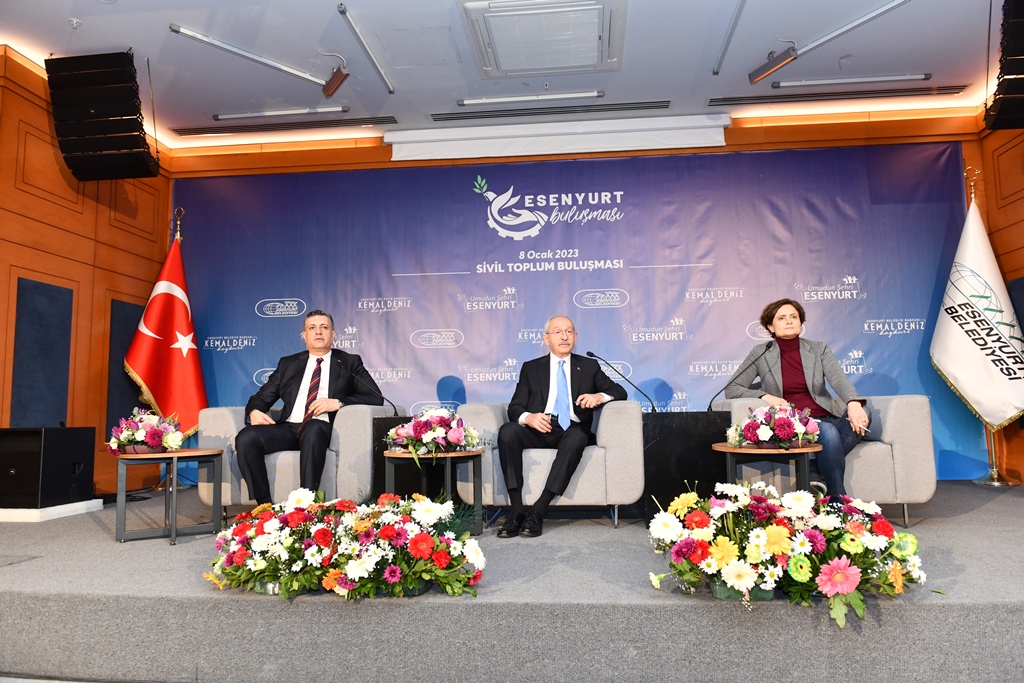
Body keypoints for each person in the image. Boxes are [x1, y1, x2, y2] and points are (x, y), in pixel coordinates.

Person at [496, 315, 628, 538]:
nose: (564, 336)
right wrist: (529, 418)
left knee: (577, 438)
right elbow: (515, 406)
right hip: (539, 428)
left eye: (569, 331)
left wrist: (599, 397)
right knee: (508, 431)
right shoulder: (531, 368)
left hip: (571, 429)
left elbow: (619, 391)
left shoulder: (589, 366)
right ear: (546, 338)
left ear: (575, 337)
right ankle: (516, 510)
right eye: (558, 332)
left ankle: (538, 510)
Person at [724, 298, 871, 498]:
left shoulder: (818, 349)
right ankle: (838, 498)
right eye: (781, 318)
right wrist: (765, 396)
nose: (789, 321)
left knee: (864, 411)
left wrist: (853, 403)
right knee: (828, 432)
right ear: (770, 326)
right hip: (795, 423)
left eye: (794, 317)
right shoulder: (761, 353)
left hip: (826, 416)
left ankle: (813, 469)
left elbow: (838, 379)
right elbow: (732, 388)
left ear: (801, 322)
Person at [235, 309, 383, 505]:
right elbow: (261, 397)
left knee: (312, 427)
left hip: (323, 428)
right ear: (304, 335)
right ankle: (264, 506)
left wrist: (337, 403)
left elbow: (375, 396)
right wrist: (254, 412)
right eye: (312, 328)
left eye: (324, 327)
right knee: (246, 437)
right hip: (289, 429)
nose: (318, 332)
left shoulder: (348, 362)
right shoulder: (288, 364)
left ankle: (306, 503)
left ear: (333, 334)